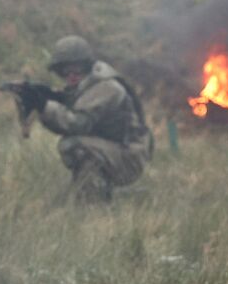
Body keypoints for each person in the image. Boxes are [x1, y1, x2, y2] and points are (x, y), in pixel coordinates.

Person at [32, 36, 153, 202]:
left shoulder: (106, 87)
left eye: (78, 69)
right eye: (65, 71)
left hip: (130, 157)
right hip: (116, 150)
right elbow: (64, 125)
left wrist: (45, 106)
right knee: (78, 146)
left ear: (88, 66)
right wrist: (41, 105)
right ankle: (89, 194)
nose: (72, 75)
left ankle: (92, 202)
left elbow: (77, 124)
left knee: (73, 145)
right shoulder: (84, 87)